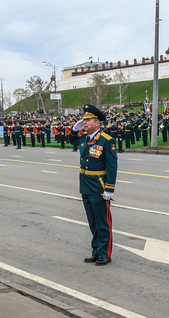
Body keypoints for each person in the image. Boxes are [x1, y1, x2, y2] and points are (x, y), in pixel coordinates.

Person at [70, 104, 117, 266]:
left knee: (102, 221)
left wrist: (109, 189)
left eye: (88, 120)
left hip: (99, 187)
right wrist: (74, 130)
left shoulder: (107, 141)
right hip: (85, 185)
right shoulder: (84, 138)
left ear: (98, 123)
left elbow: (112, 167)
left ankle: (105, 253)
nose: (85, 123)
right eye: (84, 120)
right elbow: (71, 140)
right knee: (92, 221)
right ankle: (96, 251)